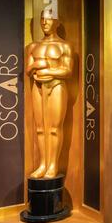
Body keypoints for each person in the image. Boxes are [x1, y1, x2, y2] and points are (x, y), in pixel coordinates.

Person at [26, 11, 73, 179]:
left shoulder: (64, 46)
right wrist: (37, 65)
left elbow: (67, 71)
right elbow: (28, 70)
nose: (45, 22)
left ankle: (53, 164)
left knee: (54, 128)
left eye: (49, 19)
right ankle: (43, 164)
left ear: (57, 22)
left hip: (57, 87)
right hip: (38, 88)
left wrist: (45, 68)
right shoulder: (33, 46)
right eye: (42, 19)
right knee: (40, 128)